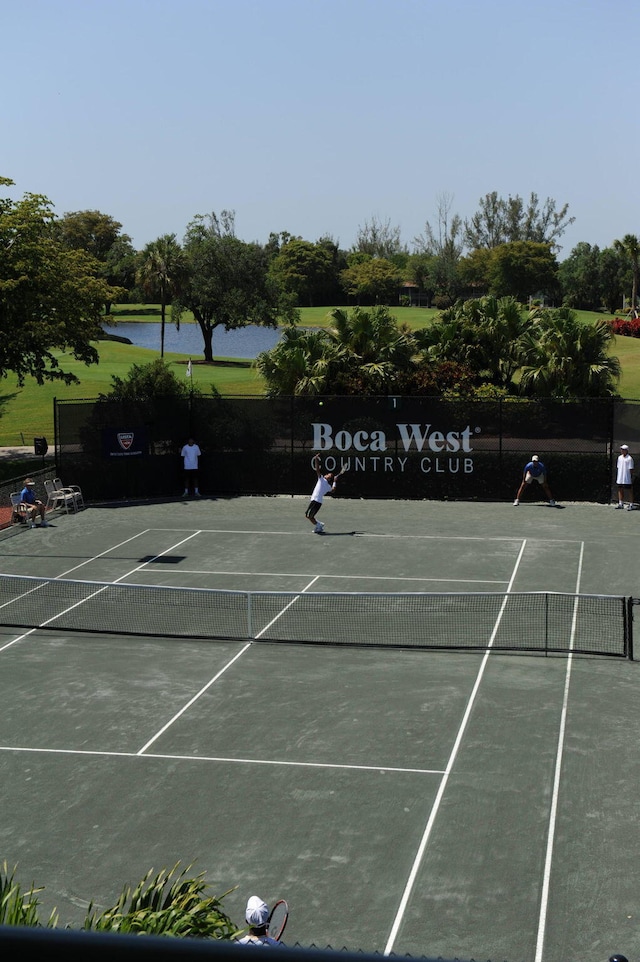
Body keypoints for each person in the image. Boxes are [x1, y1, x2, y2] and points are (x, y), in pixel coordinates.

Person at [305, 454, 337, 534]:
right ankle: (319, 525)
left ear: (328, 478)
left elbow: (317, 469)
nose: (326, 474)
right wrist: (334, 482)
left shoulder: (321, 479)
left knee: (308, 516)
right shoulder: (328, 486)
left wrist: (316, 459)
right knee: (309, 515)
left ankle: (319, 525)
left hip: (316, 501)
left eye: (328, 474)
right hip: (318, 502)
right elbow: (333, 490)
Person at [615, 443, 635, 509]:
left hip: (627, 478)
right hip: (620, 478)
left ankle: (631, 504)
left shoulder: (629, 459)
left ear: (626, 450)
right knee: (620, 489)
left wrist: (630, 477)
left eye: (623, 449)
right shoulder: (619, 458)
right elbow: (618, 467)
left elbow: (631, 469)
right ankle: (621, 503)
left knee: (630, 491)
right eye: (621, 449)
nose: (622, 450)